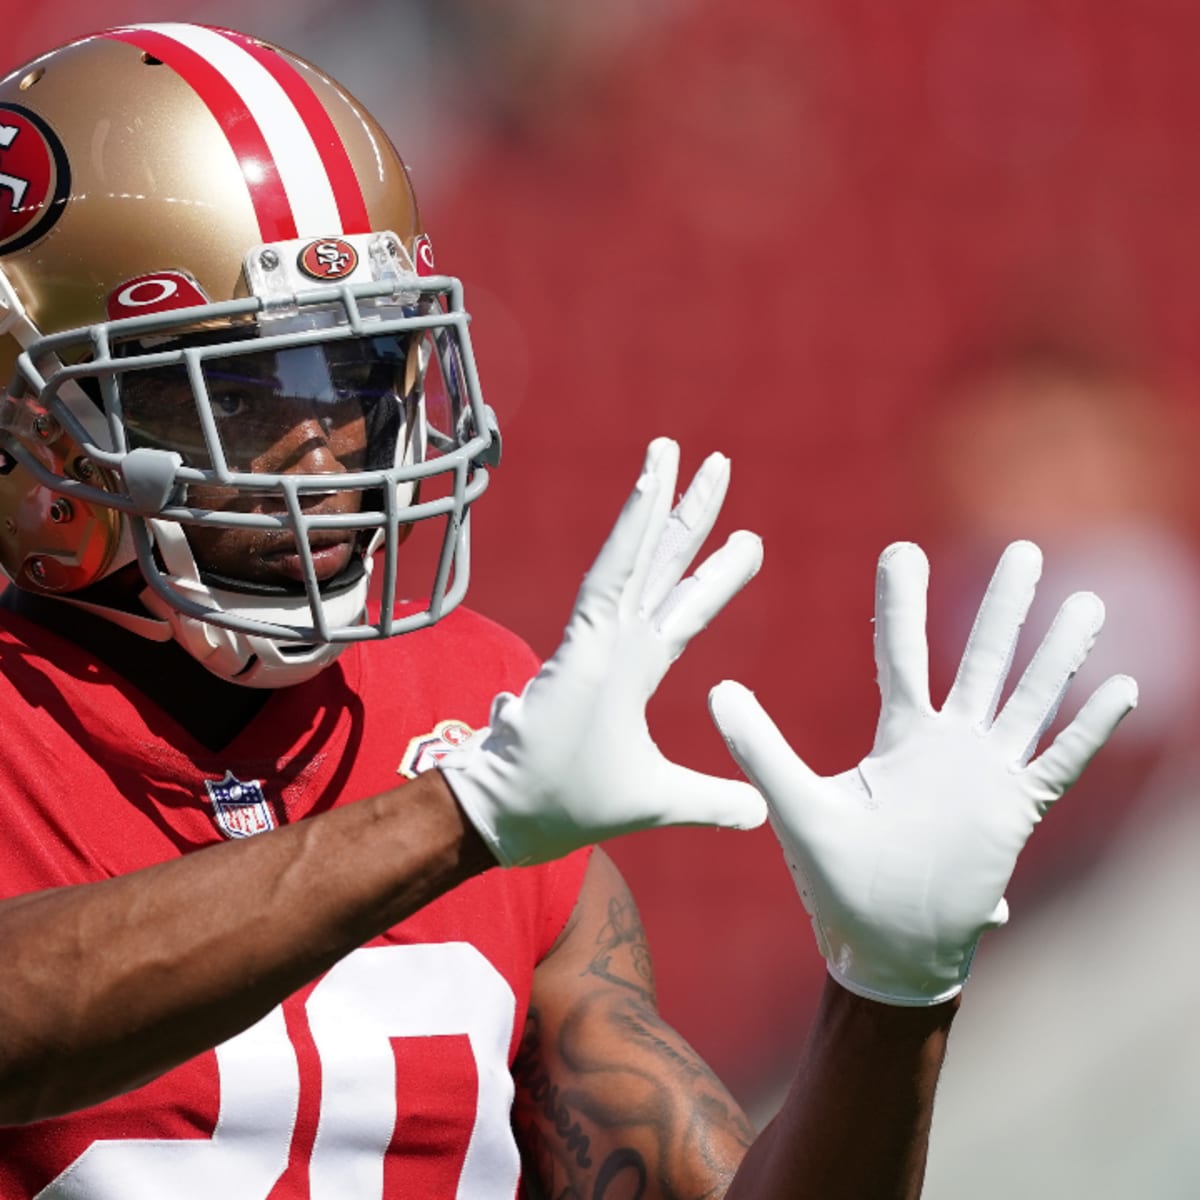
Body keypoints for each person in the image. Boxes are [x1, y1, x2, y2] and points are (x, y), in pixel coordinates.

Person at [0, 23, 1136, 1198]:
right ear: (34, 430)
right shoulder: (477, 779)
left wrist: (894, 997)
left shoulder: (461, 708)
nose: (329, 446)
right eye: (239, 388)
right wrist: (461, 817)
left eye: (357, 373)